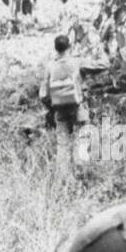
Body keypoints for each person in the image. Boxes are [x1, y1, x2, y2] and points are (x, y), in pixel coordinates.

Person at [39, 34, 84, 164]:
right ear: (69, 47)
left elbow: (43, 95)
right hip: (77, 107)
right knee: (80, 140)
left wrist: (52, 107)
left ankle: (63, 177)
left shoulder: (50, 66)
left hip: (59, 110)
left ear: (55, 49)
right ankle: (80, 173)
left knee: (63, 145)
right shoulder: (76, 62)